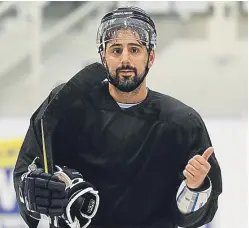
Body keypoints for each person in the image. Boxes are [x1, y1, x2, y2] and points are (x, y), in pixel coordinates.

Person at [13, 6, 222, 228]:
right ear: (103, 57)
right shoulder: (65, 105)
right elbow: (27, 169)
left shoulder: (183, 123)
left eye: (134, 50)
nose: (125, 60)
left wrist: (195, 187)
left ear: (150, 57)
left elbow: (194, 216)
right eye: (115, 50)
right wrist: (31, 191)